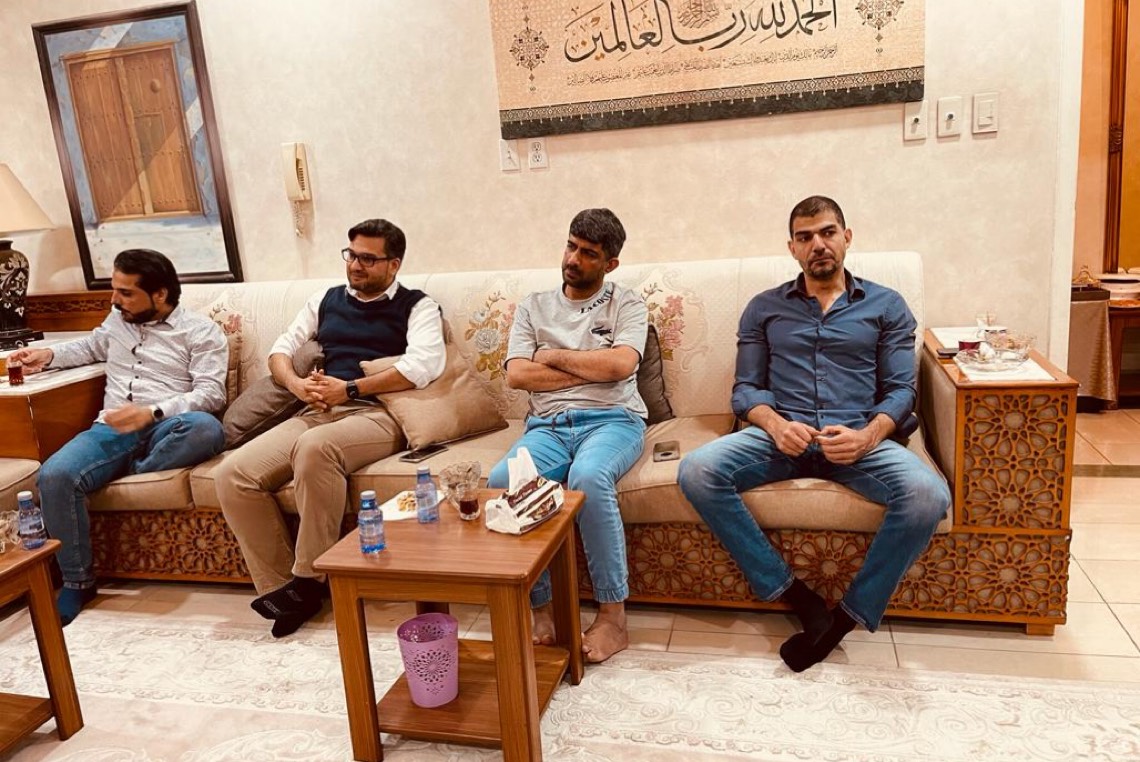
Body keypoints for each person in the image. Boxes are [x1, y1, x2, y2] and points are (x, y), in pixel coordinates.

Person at [678, 196, 950, 672]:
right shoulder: (763, 308)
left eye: (827, 232)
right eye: (805, 237)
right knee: (697, 471)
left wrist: (868, 436)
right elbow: (746, 389)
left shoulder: (887, 305)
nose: (818, 245)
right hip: (784, 437)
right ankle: (797, 596)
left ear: (847, 237)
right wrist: (775, 424)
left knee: (928, 495)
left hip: (859, 440)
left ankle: (843, 618)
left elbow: (901, 391)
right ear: (792, 248)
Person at [216, 218, 445, 638]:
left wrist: (351, 389)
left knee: (315, 447)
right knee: (233, 474)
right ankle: (282, 589)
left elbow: (423, 366)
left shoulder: (418, 306)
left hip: (378, 414)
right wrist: (297, 385)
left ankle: (309, 579)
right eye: (351, 255)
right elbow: (281, 350)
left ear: (394, 264)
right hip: (317, 410)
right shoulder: (325, 299)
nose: (355, 265)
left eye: (368, 259)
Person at [10, 249, 227, 625]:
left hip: (167, 426)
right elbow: (90, 346)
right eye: (114, 289)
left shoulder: (201, 332)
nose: (115, 299)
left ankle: (133, 467)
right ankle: (78, 581)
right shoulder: (117, 320)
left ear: (160, 294)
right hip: (112, 429)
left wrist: (151, 411)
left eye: (126, 292)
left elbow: (211, 394)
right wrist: (46, 356)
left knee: (206, 428)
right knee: (54, 475)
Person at [488, 208, 647, 664]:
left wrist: (552, 355)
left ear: (610, 263)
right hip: (548, 427)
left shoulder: (627, 303)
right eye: (571, 247)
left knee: (589, 478)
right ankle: (544, 610)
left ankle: (613, 618)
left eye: (588, 253)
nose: (574, 259)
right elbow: (518, 375)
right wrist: (592, 367)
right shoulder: (533, 306)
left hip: (613, 420)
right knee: (504, 480)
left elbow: (621, 365)